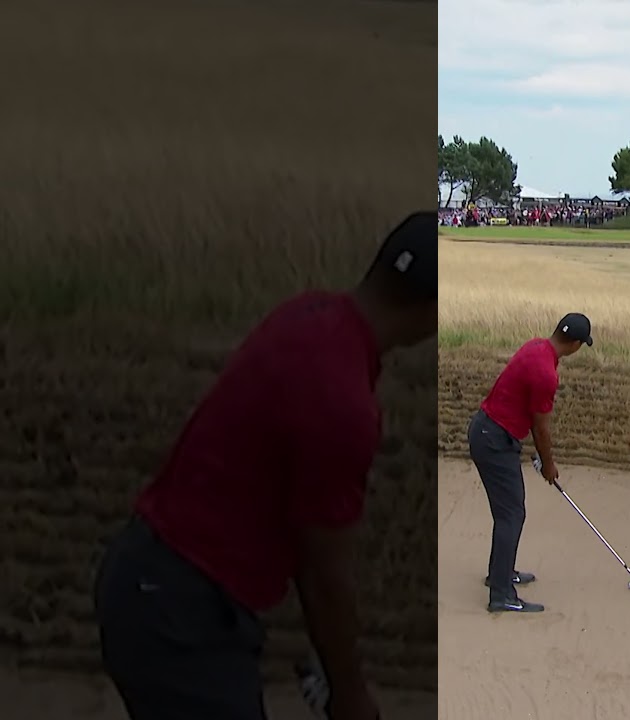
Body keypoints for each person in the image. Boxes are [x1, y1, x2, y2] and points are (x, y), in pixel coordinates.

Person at [92, 211, 439, 720]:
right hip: (178, 614)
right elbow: (324, 573)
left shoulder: (309, 313)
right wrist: (350, 694)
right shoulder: (343, 405)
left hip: (153, 582)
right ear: (432, 310)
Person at [468, 312, 593, 613]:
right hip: (493, 441)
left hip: (490, 433)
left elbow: (522, 407)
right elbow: (541, 428)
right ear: (576, 344)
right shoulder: (546, 374)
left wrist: (535, 452)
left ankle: (500, 574)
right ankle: (501, 595)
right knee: (512, 515)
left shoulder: (537, 346)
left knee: (508, 513)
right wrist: (548, 464)